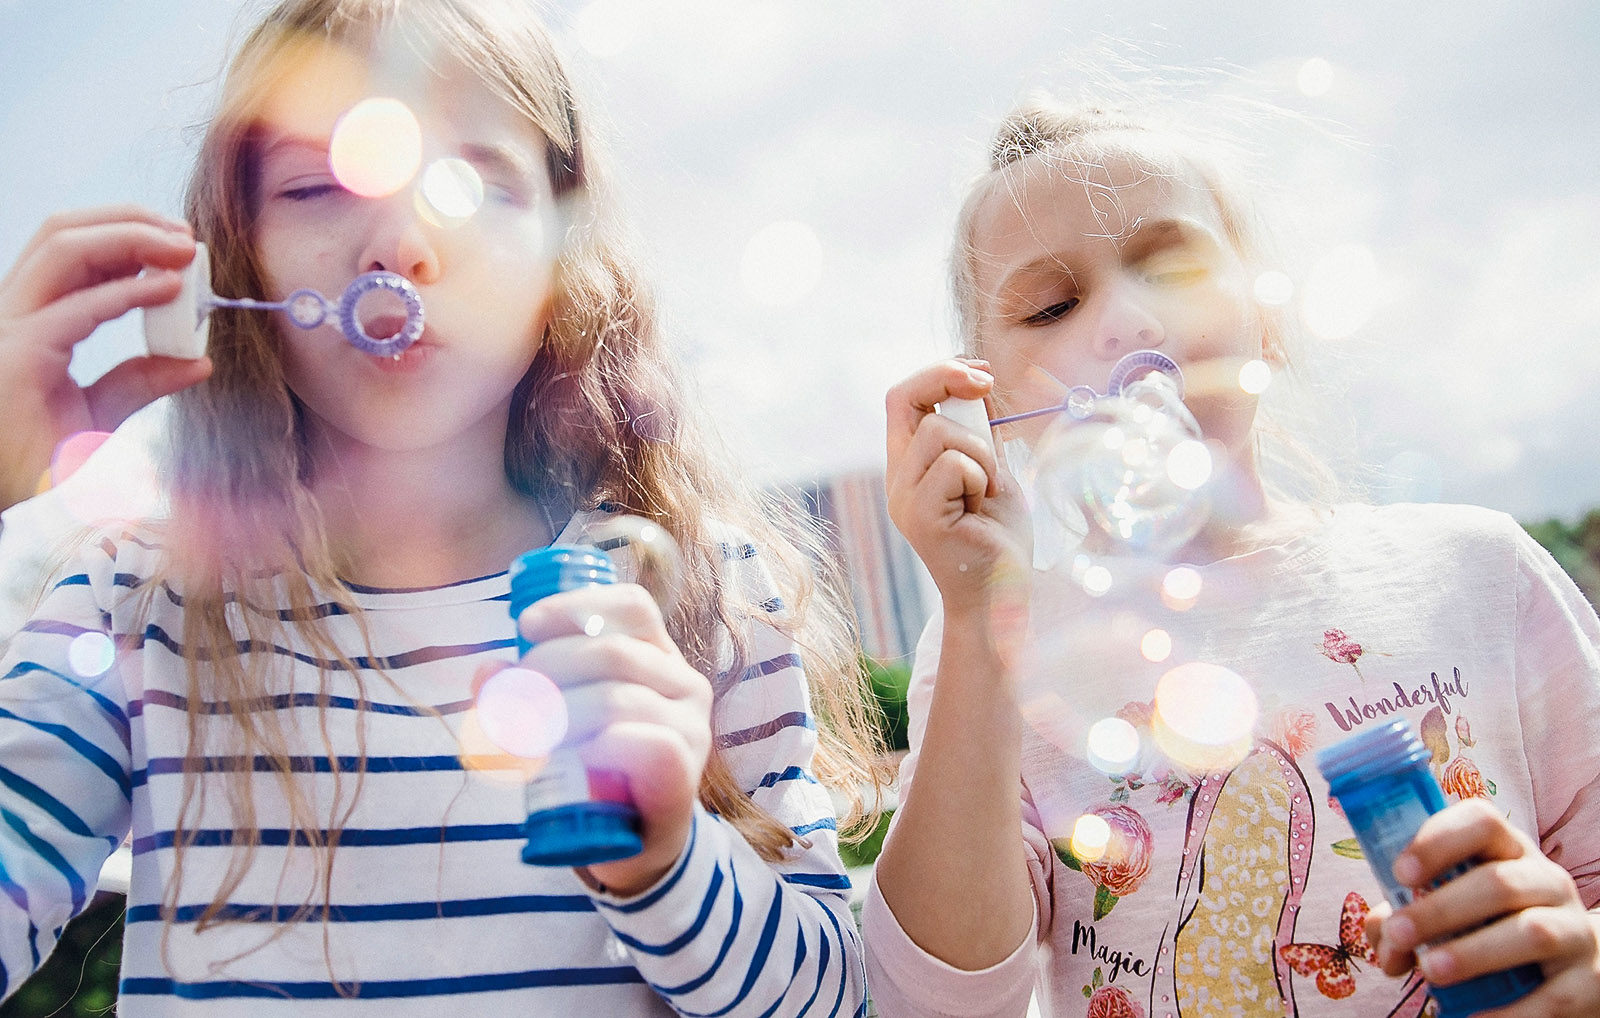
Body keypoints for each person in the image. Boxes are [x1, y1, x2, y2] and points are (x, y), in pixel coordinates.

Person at [0, 0, 884, 1012]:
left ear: (562, 254)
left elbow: (832, 996)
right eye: (316, 183)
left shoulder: (687, 587)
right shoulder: (136, 601)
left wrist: (669, 858)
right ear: (235, 261)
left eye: (470, 181)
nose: (401, 242)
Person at [866, 92, 1600, 1017]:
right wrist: (976, 622)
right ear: (994, 402)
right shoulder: (990, 644)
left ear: (1267, 318)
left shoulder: (1479, 573)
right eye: (1052, 305)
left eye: (1167, 268)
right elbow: (933, 999)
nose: (1127, 321)